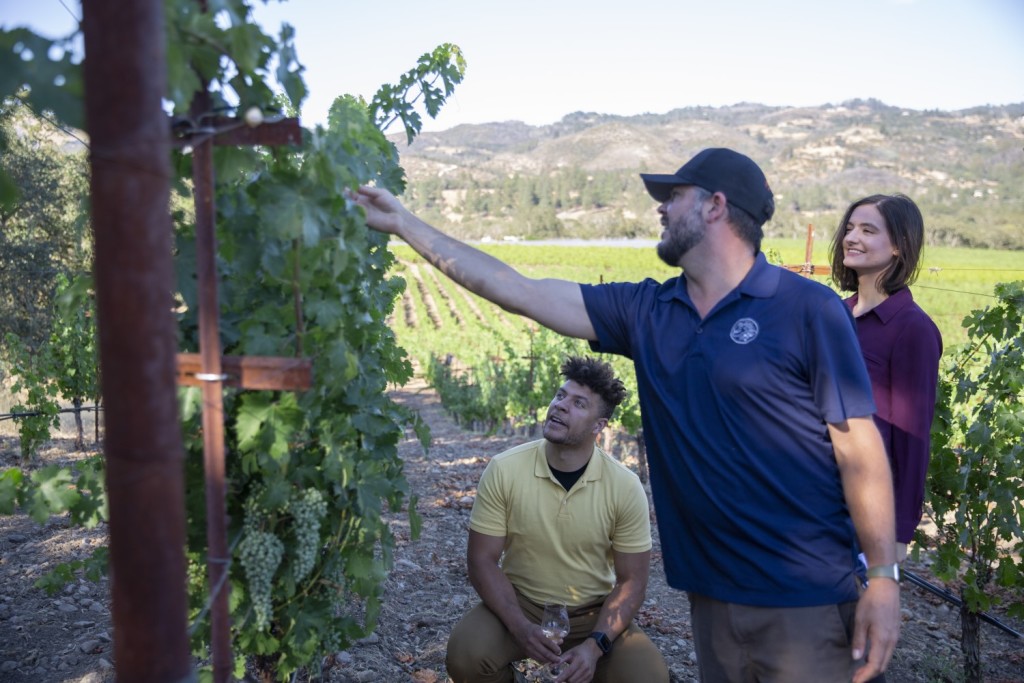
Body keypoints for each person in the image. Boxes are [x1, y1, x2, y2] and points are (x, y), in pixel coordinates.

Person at [355, 147, 901, 683]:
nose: (660, 208)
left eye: (673, 196)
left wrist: (882, 577)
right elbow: (515, 290)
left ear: (715, 205)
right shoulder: (649, 311)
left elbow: (859, 446)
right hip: (710, 597)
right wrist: (405, 224)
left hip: (803, 596)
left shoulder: (806, 308)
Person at [444, 355, 669, 683]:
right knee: (466, 655)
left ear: (598, 426)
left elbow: (632, 581)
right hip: (521, 603)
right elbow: (482, 560)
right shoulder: (505, 469)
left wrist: (595, 646)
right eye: (560, 396)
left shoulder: (624, 485)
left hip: (594, 613)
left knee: (648, 677)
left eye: (579, 403)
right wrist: (520, 628)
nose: (561, 406)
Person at [830, 194, 943, 562]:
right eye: (849, 228)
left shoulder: (913, 329)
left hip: (863, 516)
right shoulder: (833, 315)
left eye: (867, 230)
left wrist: (899, 533)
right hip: (812, 499)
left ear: (899, 246)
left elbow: (912, 438)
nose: (851, 237)